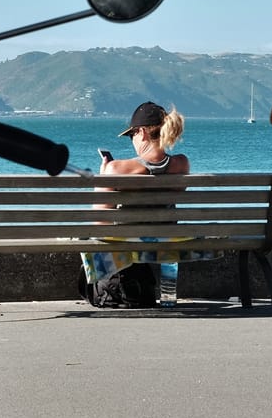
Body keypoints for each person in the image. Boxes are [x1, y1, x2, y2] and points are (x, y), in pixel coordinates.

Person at [81, 102, 193, 307]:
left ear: (141, 132)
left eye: (131, 135)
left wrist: (103, 176)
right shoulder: (182, 164)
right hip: (167, 241)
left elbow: (99, 222)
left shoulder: (116, 169)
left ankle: (114, 288)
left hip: (127, 243)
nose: (132, 140)